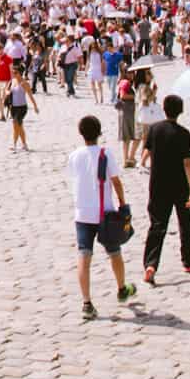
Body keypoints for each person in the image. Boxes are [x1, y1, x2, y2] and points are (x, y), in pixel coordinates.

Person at [67, 114, 137, 320]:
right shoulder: (106, 154)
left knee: (83, 255)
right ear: (99, 133)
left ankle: (86, 302)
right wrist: (123, 203)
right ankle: (122, 288)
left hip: (82, 212)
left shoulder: (74, 155)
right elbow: (115, 181)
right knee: (114, 252)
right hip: (104, 212)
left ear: (81, 134)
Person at [139, 94, 190, 285]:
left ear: (164, 109)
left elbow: (147, 150)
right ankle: (189, 262)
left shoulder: (155, 129)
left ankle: (151, 264)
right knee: (185, 224)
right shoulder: (183, 133)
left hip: (158, 183)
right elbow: (187, 163)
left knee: (157, 225)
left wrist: (142, 161)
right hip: (179, 183)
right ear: (180, 111)